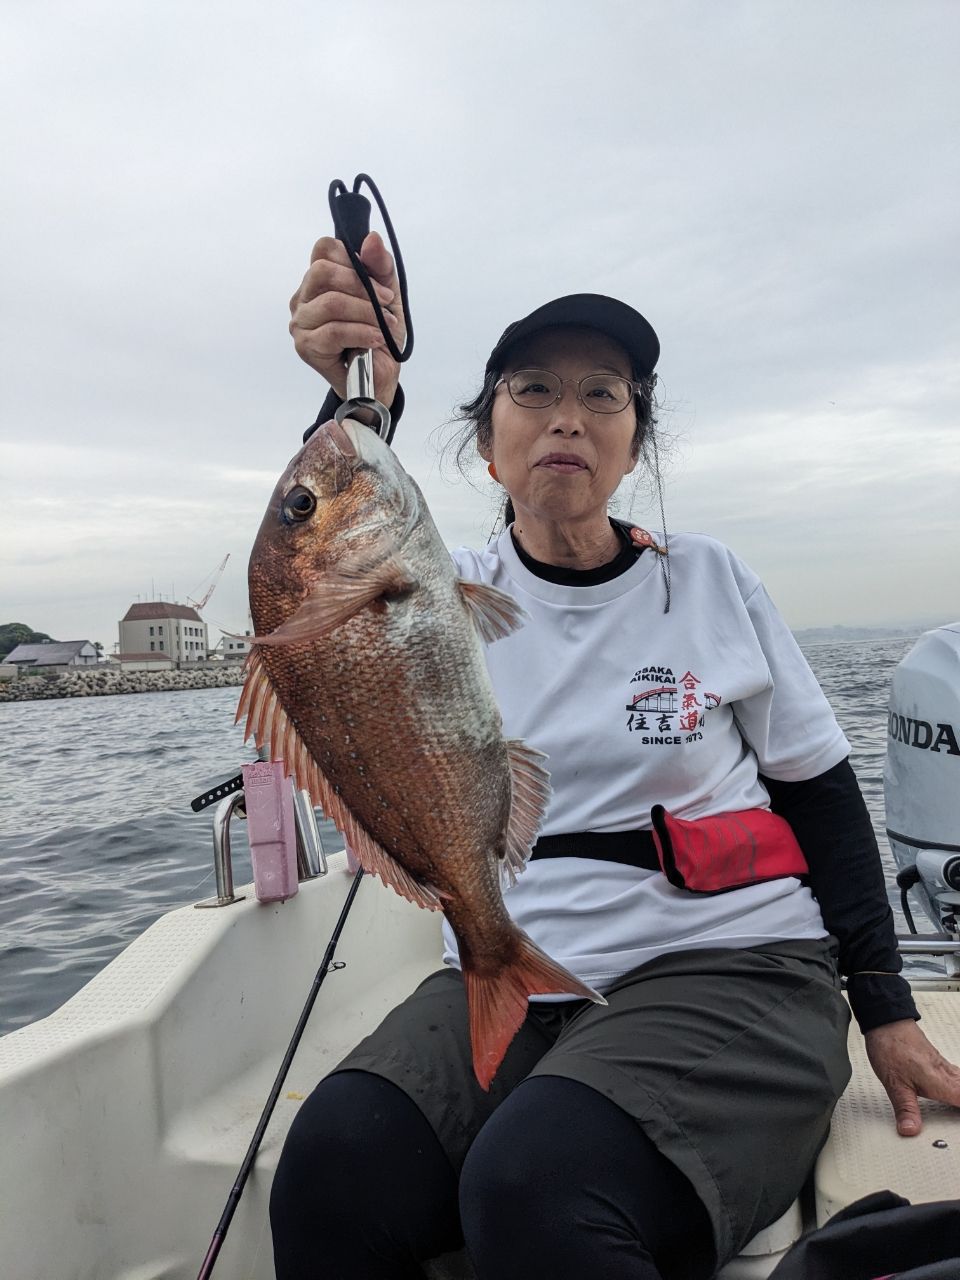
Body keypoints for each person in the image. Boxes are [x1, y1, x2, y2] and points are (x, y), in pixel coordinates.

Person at [270, 232, 960, 1280]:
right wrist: (362, 397)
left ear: (634, 444)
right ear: (487, 443)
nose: (567, 416)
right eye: (533, 388)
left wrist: (889, 1008)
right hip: (509, 968)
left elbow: (823, 802)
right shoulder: (430, 593)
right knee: (331, 1168)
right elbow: (323, 565)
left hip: (734, 971)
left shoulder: (714, 582)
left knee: (534, 1185)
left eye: (605, 394)